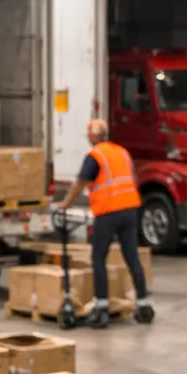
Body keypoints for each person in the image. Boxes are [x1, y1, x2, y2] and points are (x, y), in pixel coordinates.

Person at [56, 118, 153, 327]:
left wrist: (65, 204)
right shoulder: (122, 152)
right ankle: (144, 304)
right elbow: (132, 179)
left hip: (108, 212)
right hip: (130, 209)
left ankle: (101, 307)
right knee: (132, 257)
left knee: (98, 257)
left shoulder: (95, 156)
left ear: (93, 136)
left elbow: (79, 184)